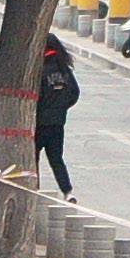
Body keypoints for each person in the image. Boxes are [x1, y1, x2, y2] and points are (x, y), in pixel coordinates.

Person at [34, 36, 80, 198]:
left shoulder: (39, 69)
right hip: (58, 122)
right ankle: (67, 191)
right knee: (56, 159)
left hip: (39, 122)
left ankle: (34, 190)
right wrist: (61, 108)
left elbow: (36, 95)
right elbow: (74, 93)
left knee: (33, 157)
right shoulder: (64, 68)